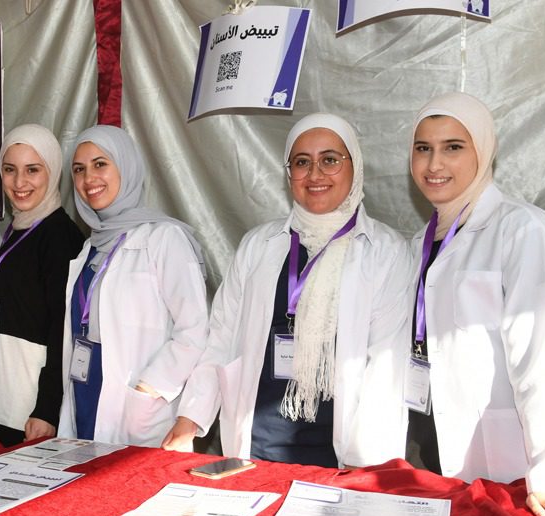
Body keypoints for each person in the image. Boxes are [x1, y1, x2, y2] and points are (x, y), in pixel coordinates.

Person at [162, 113, 411, 467]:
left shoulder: (385, 251)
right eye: (302, 162)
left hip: (341, 453)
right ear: (289, 173)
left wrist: (365, 462)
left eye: (330, 160)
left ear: (354, 166)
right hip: (257, 443)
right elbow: (221, 336)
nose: (315, 174)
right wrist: (190, 419)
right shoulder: (258, 245)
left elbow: (385, 363)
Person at [404, 92, 545, 516]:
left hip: (512, 459)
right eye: (423, 148)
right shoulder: (418, 244)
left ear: (484, 150)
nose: (434, 164)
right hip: (433, 444)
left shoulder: (521, 228)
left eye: (453, 147)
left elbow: (540, 357)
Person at [59, 125, 207, 447]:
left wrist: (149, 388)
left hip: (137, 403)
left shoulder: (164, 238)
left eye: (100, 164)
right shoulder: (89, 247)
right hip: (86, 389)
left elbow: (194, 329)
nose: (88, 178)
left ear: (126, 166)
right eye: (79, 169)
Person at [0, 124, 84, 448]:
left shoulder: (60, 236)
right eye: (9, 170)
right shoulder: (17, 228)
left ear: (52, 171)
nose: (19, 182)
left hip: (31, 400)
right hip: (3, 387)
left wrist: (47, 408)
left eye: (32, 170)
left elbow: (61, 329)